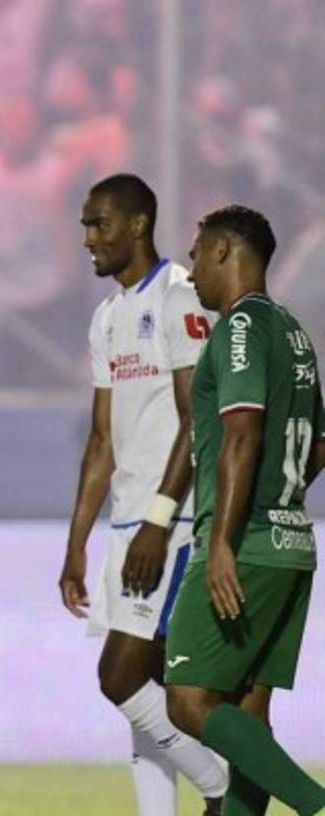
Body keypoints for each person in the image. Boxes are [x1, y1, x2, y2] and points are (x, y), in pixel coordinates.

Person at [58, 175, 229, 816]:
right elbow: (102, 440)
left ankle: (224, 787)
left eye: (98, 223)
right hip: (129, 523)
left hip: (172, 520)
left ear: (137, 224)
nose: (88, 238)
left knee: (120, 676)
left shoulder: (179, 297)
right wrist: (77, 544)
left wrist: (159, 520)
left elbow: (198, 419)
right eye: (85, 225)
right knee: (143, 692)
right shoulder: (108, 317)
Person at [165, 205, 325, 815]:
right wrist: (281, 496)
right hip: (291, 545)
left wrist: (222, 544)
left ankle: (314, 802)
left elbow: (241, 434)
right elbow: (319, 442)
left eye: (197, 255)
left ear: (225, 251)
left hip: (245, 543)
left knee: (187, 698)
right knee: (247, 716)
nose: (192, 270)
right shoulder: (292, 331)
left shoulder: (239, 328)